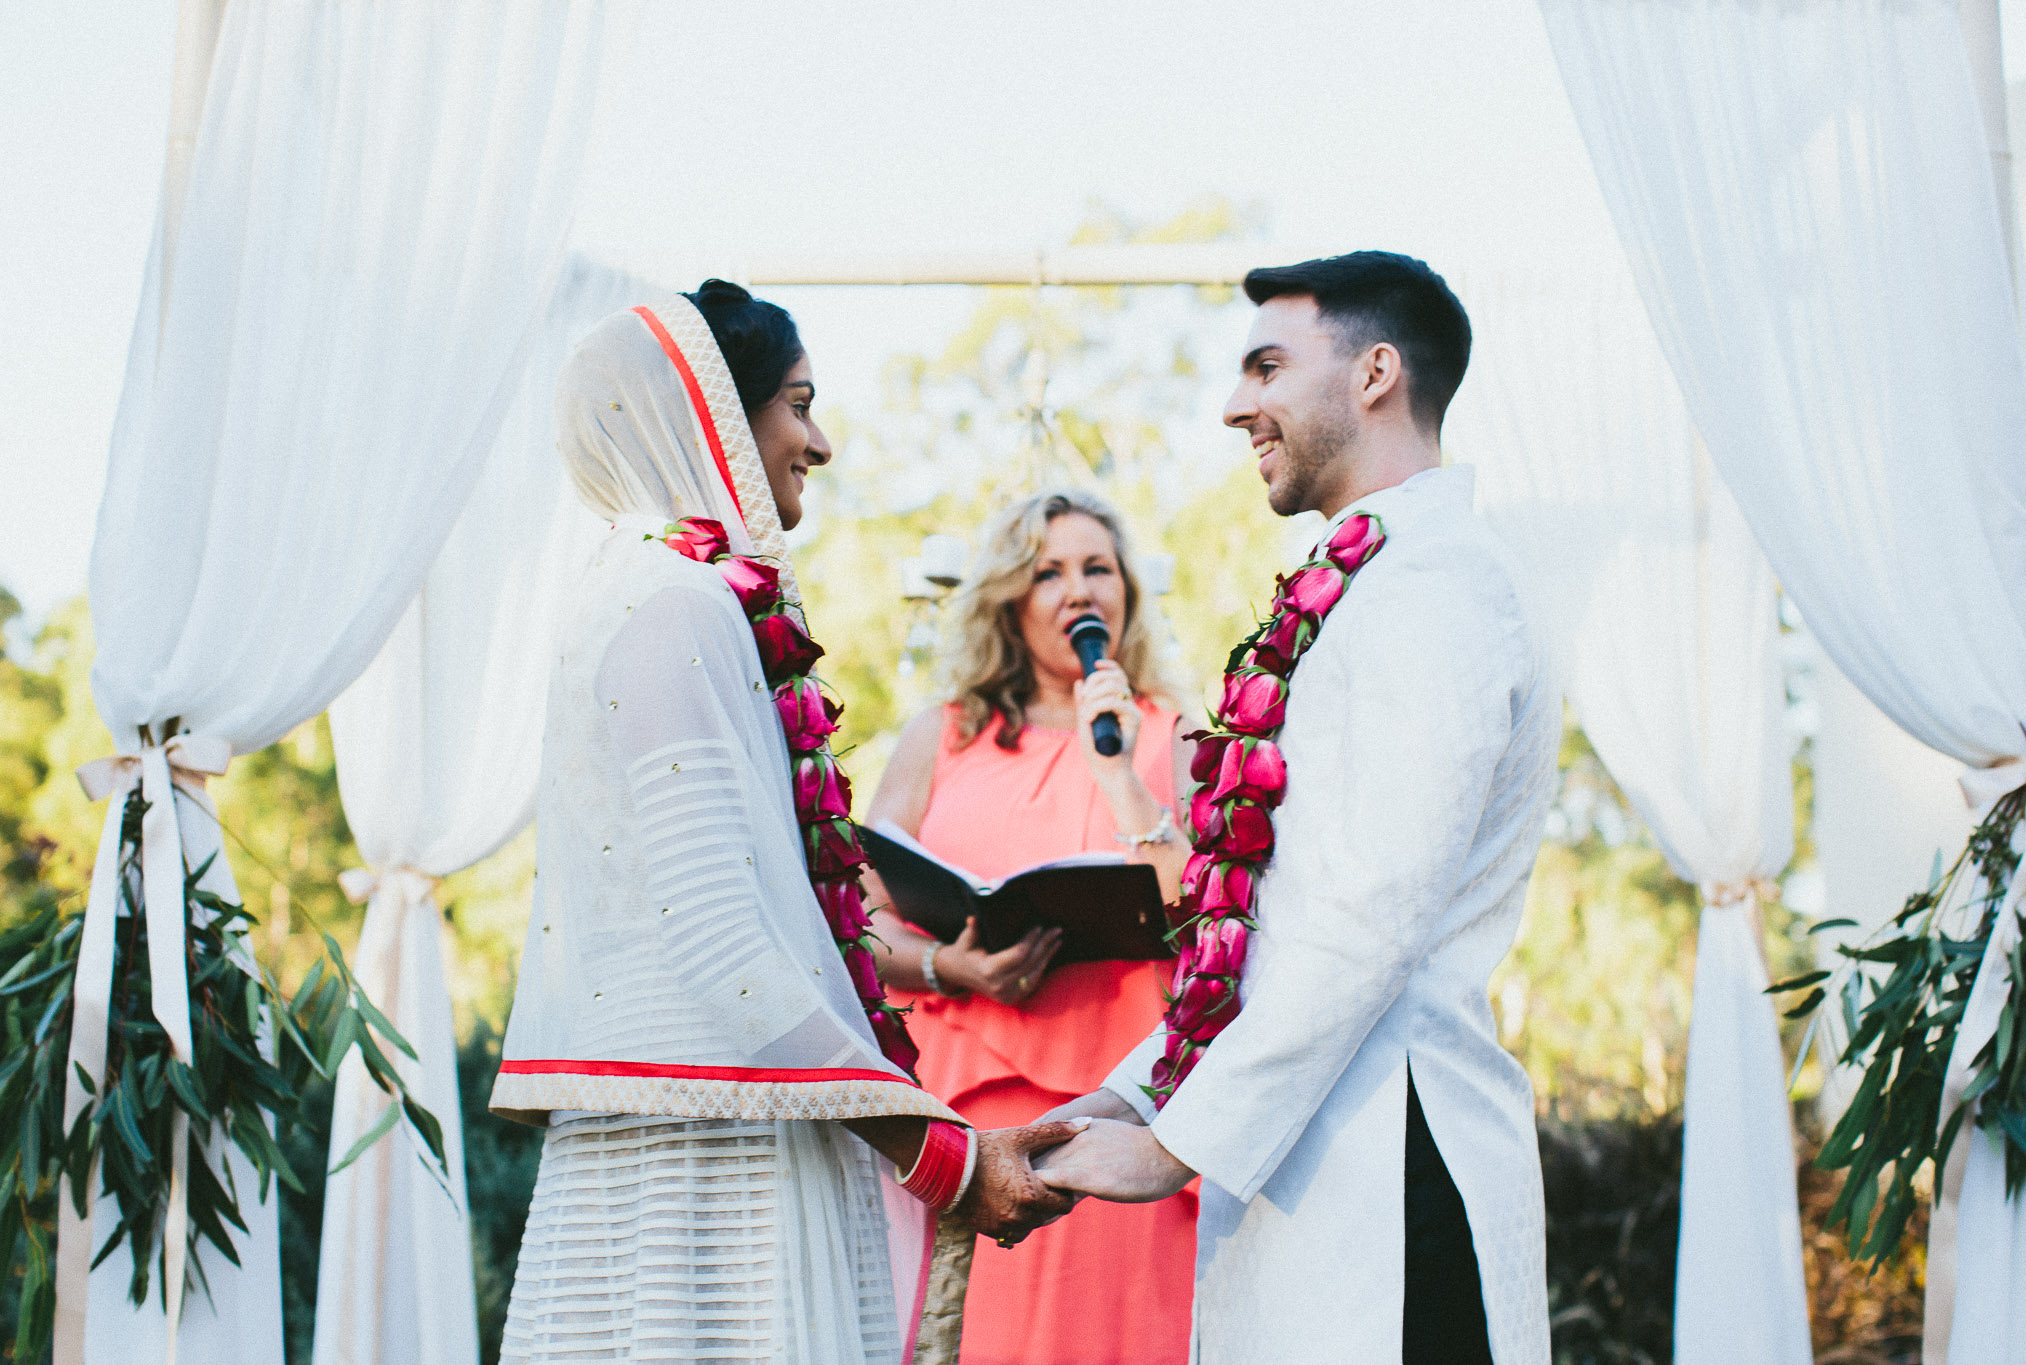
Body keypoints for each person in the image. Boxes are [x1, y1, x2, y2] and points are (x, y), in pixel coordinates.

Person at [489, 283, 1077, 1364]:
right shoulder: (677, 604)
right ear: (711, 409)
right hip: (709, 1177)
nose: (821, 441)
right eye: (797, 405)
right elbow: (719, 947)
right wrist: (942, 1157)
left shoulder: (634, 592)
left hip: (687, 1136)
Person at [1034, 253, 1562, 1365]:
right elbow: (1270, 920)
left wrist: (1175, 1146)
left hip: (1396, 1172)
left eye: (1266, 367)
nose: (1234, 407)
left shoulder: (1439, 586)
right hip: (1323, 1165)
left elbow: (1370, 912)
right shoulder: (1370, 581)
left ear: (1375, 373)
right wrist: (1128, 1100)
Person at [860, 489, 1198, 1365]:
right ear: (1009, 599)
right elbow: (853, 907)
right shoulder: (942, 734)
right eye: (1048, 572)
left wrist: (1119, 773)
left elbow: (1208, 910)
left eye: (1097, 567)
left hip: (1119, 1122)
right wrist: (947, 966)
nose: (1078, 589)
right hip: (961, 1119)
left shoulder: (1175, 733)